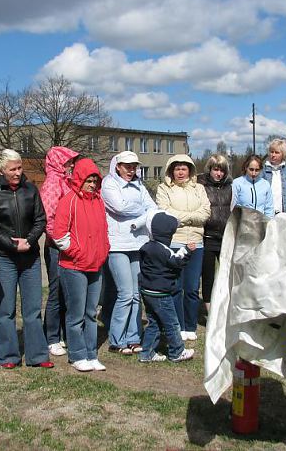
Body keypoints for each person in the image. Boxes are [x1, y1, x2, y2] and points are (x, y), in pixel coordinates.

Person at [0, 149, 52, 369]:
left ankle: (38, 355)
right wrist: (13, 244)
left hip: (30, 258)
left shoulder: (30, 189)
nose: (17, 172)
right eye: (12, 169)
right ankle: (8, 356)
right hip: (4, 257)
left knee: (33, 309)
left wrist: (29, 241)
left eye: (19, 167)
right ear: (1, 170)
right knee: (6, 310)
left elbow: (40, 219)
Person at [52, 158, 110, 372]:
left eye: (95, 180)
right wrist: (77, 253)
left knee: (91, 312)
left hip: (96, 266)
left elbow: (103, 229)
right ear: (79, 179)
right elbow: (59, 235)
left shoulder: (99, 201)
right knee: (75, 314)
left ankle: (91, 353)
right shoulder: (68, 201)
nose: (92, 184)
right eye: (88, 180)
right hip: (74, 267)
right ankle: (77, 354)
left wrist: (103, 250)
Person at [102, 151, 157, 355]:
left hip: (138, 243)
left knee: (136, 295)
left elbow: (153, 208)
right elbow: (119, 206)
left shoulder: (140, 185)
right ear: (118, 166)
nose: (131, 170)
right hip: (117, 245)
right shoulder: (109, 183)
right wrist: (142, 209)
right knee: (124, 294)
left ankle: (134, 337)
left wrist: (138, 218)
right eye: (127, 166)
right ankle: (117, 339)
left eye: (134, 166)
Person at [155, 154, 210, 342]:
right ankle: (177, 324)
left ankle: (190, 325)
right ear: (171, 170)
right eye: (177, 168)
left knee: (193, 288)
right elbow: (165, 213)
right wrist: (191, 216)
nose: (180, 172)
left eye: (184, 168)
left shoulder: (199, 189)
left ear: (190, 170)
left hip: (196, 242)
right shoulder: (163, 189)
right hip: (174, 243)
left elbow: (205, 213)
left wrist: (181, 217)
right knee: (176, 287)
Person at [138, 211, 195, 363]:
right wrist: (187, 251)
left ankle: (147, 353)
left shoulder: (148, 247)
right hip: (161, 294)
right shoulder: (164, 250)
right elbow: (176, 262)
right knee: (171, 323)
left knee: (154, 322)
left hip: (147, 291)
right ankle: (177, 351)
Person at [39, 146, 78, 357]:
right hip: (57, 247)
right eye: (67, 161)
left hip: (69, 245)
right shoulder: (52, 184)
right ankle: (51, 337)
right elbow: (49, 218)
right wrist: (62, 241)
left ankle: (63, 332)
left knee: (66, 291)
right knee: (56, 292)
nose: (71, 165)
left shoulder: (67, 181)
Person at [197, 154, 232, 314]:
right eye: (216, 170)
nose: (219, 174)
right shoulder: (200, 185)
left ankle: (226, 307)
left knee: (227, 274)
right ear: (209, 169)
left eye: (222, 171)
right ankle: (209, 311)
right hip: (207, 237)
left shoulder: (230, 186)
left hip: (225, 237)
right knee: (208, 276)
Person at [262, 138, 286, 214]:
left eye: (277, 152)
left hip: (284, 213)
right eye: (272, 152)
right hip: (266, 213)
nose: (273, 155)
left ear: (283, 154)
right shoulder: (262, 171)